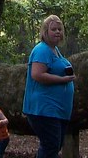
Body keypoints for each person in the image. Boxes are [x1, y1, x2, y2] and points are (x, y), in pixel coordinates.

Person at [22, 14, 75, 158]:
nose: (58, 32)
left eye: (60, 29)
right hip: (44, 109)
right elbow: (37, 75)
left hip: (57, 110)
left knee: (53, 146)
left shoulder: (55, 50)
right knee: (51, 145)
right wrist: (62, 80)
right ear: (45, 32)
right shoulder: (42, 50)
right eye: (53, 29)